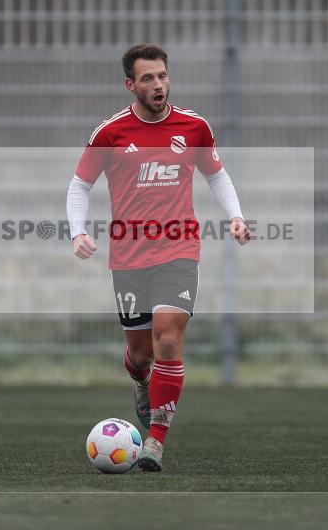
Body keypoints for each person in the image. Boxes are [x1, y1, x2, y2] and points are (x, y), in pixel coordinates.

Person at [66, 43, 249, 472]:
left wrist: (237, 217)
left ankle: (155, 440)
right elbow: (79, 186)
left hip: (179, 249)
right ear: (131, 85)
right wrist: (77, 232)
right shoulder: (110, 134)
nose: (158, 84)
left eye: (163, 75)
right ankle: (139, 378)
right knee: (141, 352)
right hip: (129, 258)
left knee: (168, 337)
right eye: (148, 78)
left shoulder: (194, 127)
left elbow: (216, 176)